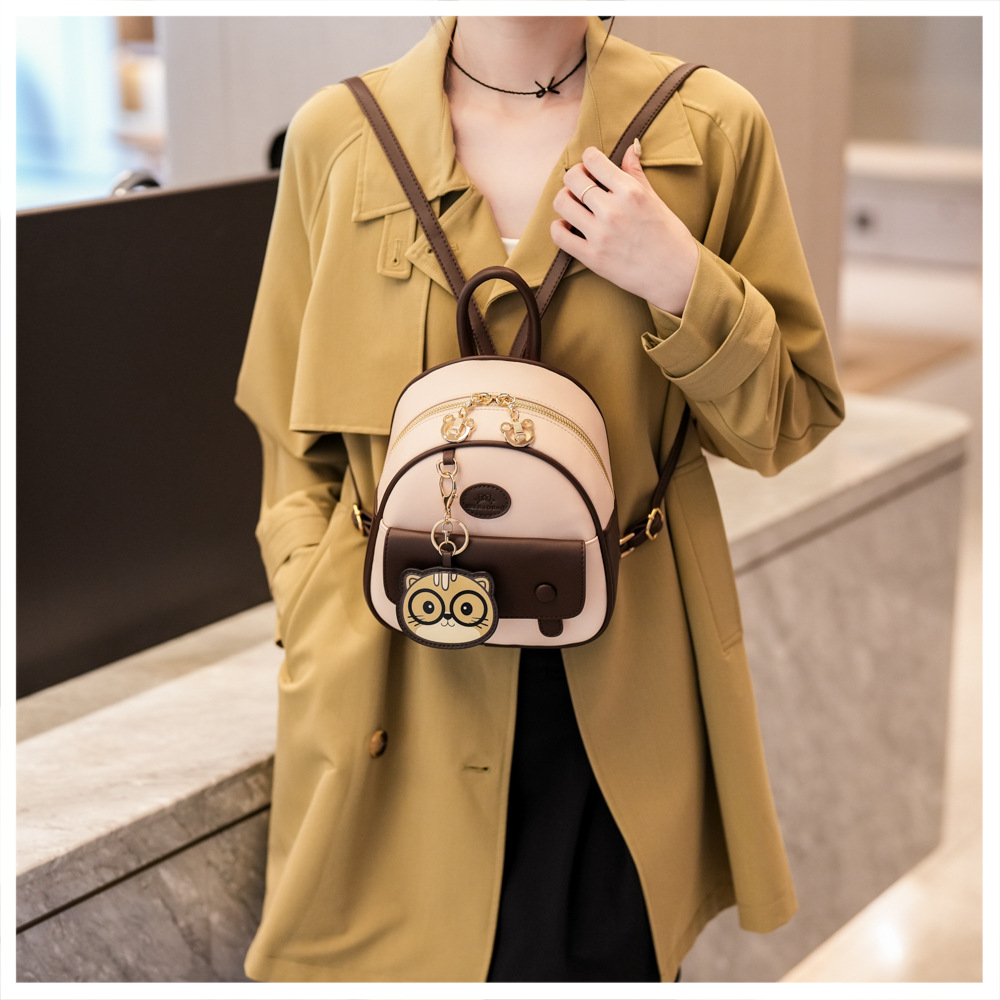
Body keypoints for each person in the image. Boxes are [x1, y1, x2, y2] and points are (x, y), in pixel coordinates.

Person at [235, 15, 844, 984]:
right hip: (389, 697)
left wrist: (681, 279)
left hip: (618, 710)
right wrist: (315, 616)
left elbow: (788, 421)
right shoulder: (336, 136)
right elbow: (288, 440)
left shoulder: (709, 130)